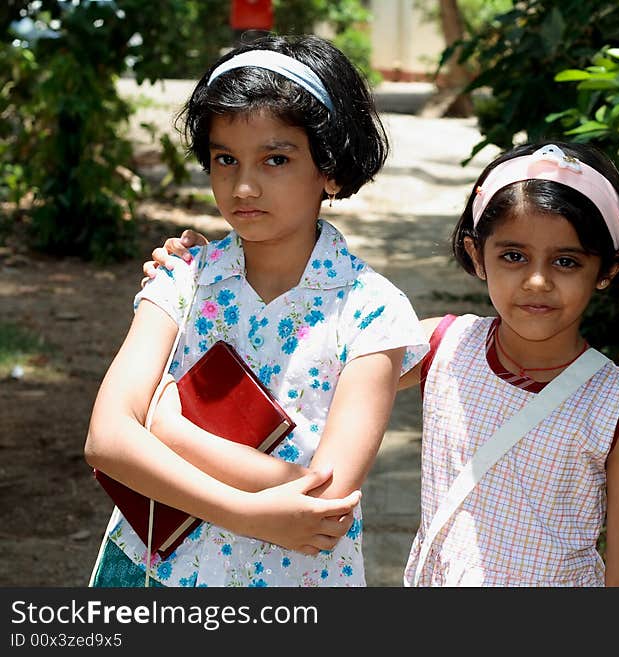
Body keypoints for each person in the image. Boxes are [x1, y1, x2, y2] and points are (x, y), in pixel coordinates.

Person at [145, 141, 619, 586]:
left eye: (566, 261)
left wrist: (171, 431)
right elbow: (298, 356)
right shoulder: (443, 345)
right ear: (476, 255)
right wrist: (207, 271)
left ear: (607, 270)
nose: (538, 281)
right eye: (513, 256)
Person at [84, 34, 428, 588]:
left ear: (331, 169)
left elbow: (327, 494)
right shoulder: (183, 277)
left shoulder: (372, 311)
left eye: (276, 158)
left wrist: (168, 429)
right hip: (153, 574)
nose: (244, 185)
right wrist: (249, 511)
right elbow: (106, 439)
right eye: (225, 159)